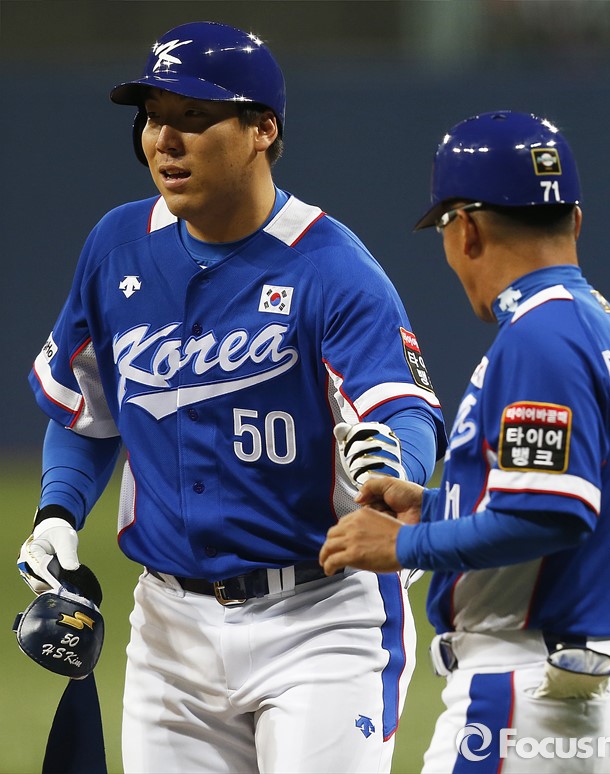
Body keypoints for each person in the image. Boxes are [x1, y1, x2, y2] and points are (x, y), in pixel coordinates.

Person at [17, 21, 446, 774]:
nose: (165, 140)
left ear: (262, 130)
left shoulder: (331, 267)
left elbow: (402, 410)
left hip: (321, 621)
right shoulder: (117, 248)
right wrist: (57, 511)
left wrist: (392, 467)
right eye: (154, 117)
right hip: (169, 631)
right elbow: (86, 411)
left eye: (194, 116)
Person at [320, 110, 610, 773]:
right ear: (574, 221)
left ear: (468, 230)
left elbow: (549, 514)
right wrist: (437, 505)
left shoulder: (541, 336)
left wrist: (402, 545)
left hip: (537, 695)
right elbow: (561, 497)